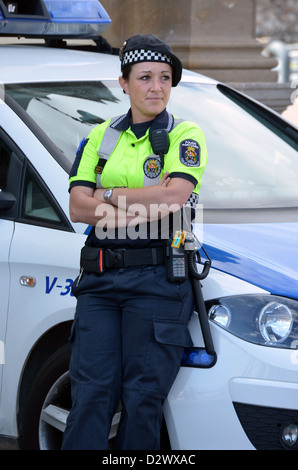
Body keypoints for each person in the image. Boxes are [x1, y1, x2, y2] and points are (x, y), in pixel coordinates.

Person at [61, 34, 208, 450]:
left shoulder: (185, 134)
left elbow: (174, 197)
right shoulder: (99, 137)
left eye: (165, 78)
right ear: (123, 83)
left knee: (143, 401)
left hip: (158, 282)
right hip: (101, 283)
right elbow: (77, 207)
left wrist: (104, 196)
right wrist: (140, 204)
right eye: (145, 77)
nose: (157, 87)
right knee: (91, 395)